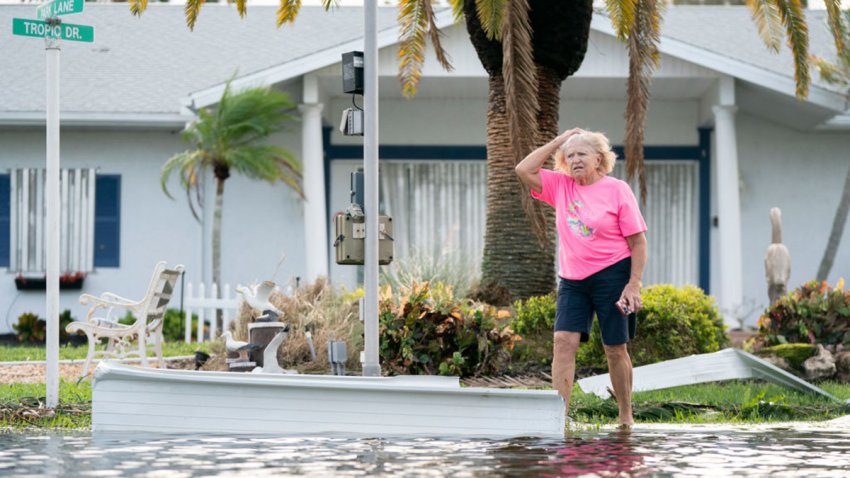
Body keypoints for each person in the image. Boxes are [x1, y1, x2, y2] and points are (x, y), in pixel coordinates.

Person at [515, 128, 647, 428]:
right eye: (569, 155)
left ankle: (625, 416)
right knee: (563, 341)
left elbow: (638, 242)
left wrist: (633, 283)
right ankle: (556, 418)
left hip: (613, 275)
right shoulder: (560, 186)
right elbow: (523, 169)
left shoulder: (617, 190)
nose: (574, 160)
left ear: (598, 158)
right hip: (573, 280)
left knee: (615, 347)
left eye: (582, 154)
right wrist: (558, 142)